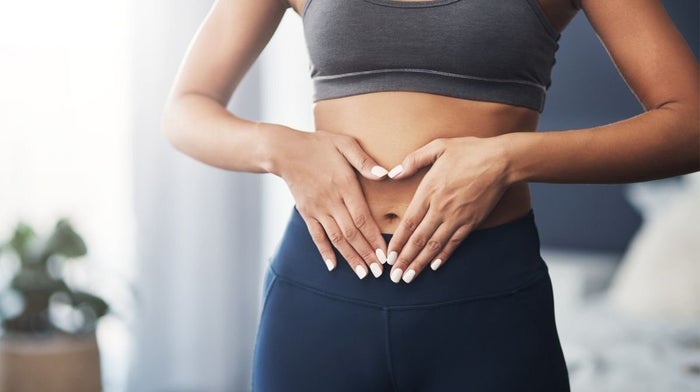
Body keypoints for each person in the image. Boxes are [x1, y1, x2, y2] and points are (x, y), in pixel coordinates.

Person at [161, 0, 699, 390]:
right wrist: (282, 149)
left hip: (484, 303)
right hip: (319, 293)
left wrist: (506, 158)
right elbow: (187, 108)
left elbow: (690, 124)